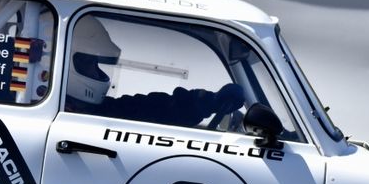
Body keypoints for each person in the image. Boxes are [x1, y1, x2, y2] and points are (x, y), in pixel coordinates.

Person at [64, 16, 244, 128]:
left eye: (96, 63)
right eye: (88, 62)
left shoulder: (90, 110)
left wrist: (205, 102)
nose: (96, 73)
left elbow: (146, 109)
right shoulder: (65, 118)